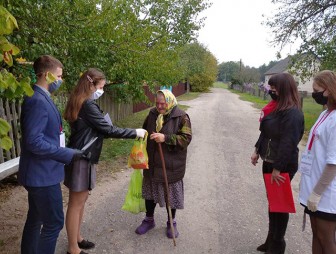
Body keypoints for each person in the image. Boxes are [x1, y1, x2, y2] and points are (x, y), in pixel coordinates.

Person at [63, 68, 146, 254]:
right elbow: (108, 129)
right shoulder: (87, 105)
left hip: (84, 156)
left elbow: (97, 128)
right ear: (90, 84)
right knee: (76, 203)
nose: (102, 90)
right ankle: (72, 248)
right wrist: (135, 132)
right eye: (100, 87)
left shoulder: (81, 101)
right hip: (81, 157)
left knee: (81, 200)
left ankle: (77, 238)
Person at [18, 55, 85, 254]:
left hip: (41, 172)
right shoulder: (37, 100)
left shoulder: (40, 96)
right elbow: (33, 141)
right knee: (54, 223)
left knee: (36, 218)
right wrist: (65, 153)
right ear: (47, 74)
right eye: (59, 75)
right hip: (42, 175)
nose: (60, 80)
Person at [250, 73, 304, 254]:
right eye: (270, 87)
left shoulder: (293, 114)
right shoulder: (276, 109)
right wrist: (257, 150)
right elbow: (264, 132)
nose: (271, 90)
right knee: (273, 203)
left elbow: (289, 143)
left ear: (285, 89)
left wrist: (278, 169)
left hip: (282, 166)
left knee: (280, 206)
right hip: (269, 162)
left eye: (274, 88)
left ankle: (278, 245)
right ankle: (270, 240)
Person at [135, 89, 192, 238]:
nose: (159, 107)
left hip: (171, 165)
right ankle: (149, 220)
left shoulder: (181, 117)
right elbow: (145, 130)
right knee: (150, 193)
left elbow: (186, 139)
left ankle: (171, 223)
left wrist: (165, 138)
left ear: (170, 102)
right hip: (152, 163)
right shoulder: (152, 114)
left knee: (170, 196)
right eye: (157, 103)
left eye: (163, 103)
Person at [299, 70, 336, 254]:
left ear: (328, 90)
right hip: (313, 188)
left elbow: (333, 164)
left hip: (326, 194)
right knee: (316, 235)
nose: (314, 94)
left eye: (316, 90)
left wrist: (317, 193)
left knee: (326, 240)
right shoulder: (325, 113)